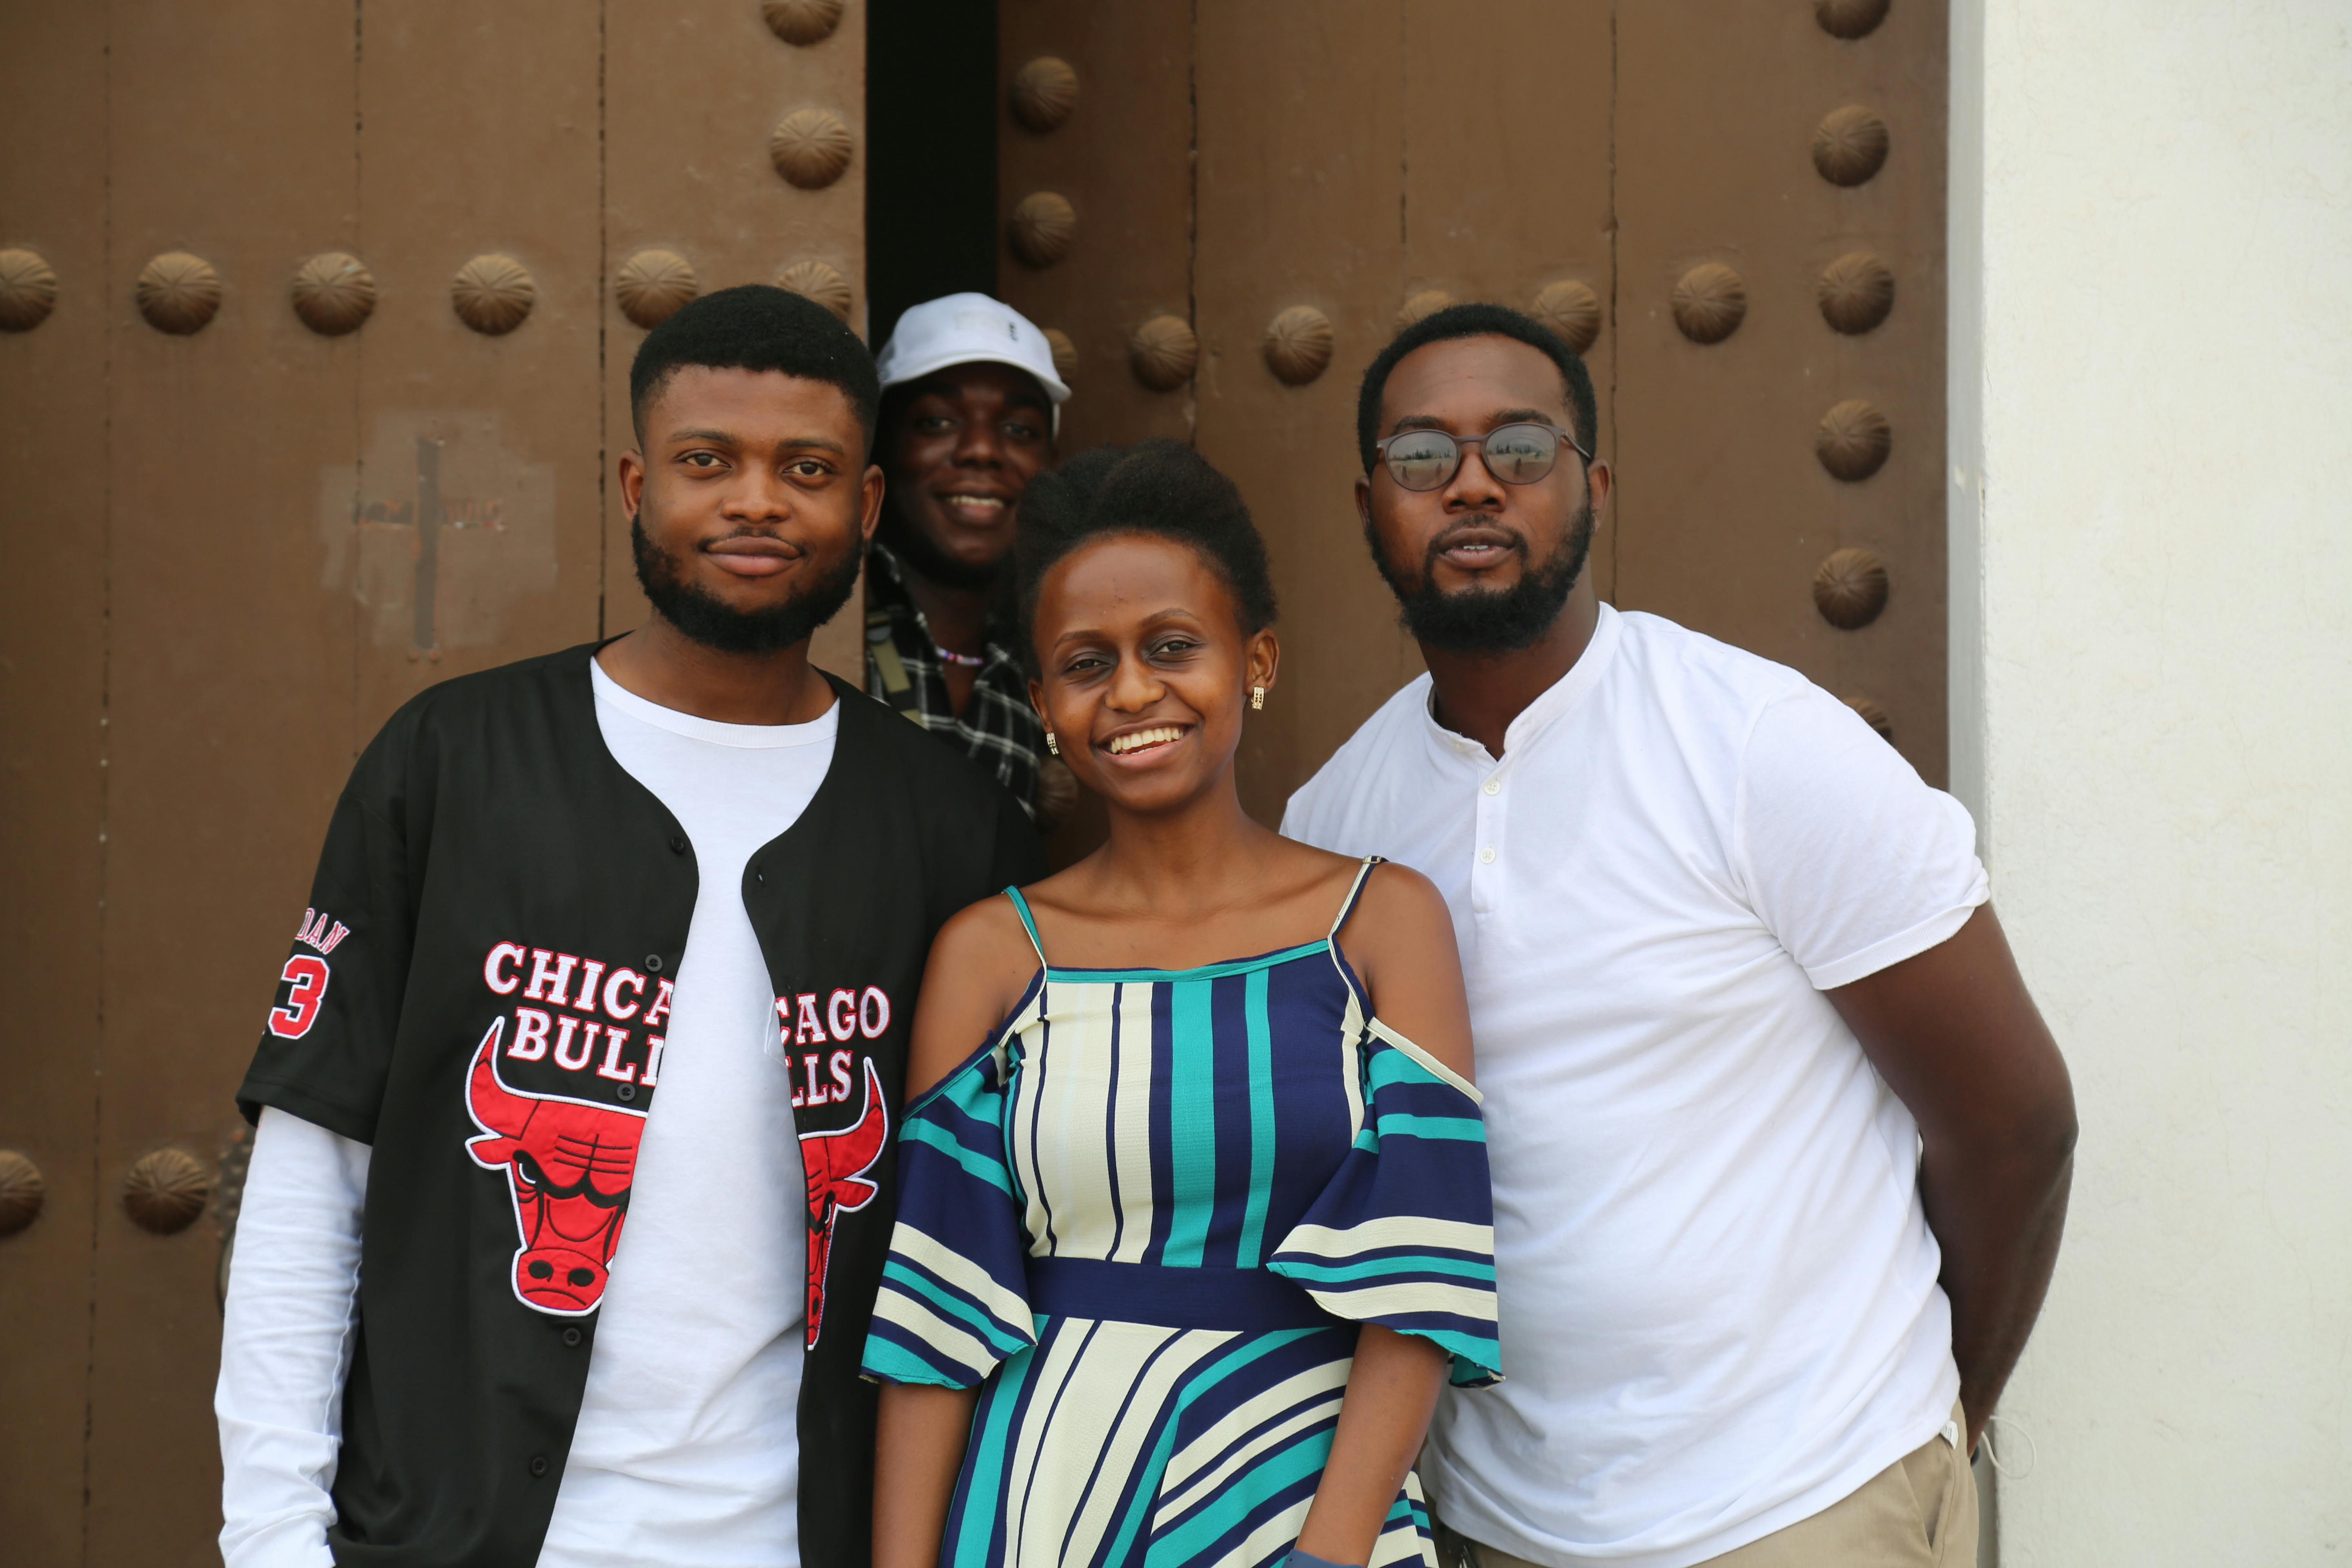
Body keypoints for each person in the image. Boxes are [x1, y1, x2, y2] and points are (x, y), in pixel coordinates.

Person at [215, 285, 1045, 1568]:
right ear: (633, 486)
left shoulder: (945, 819)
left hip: (794, 1539)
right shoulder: (454, 762)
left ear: (865, 507)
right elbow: (314, 1171)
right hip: (460, 1534)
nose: (757, 503)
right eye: (707, 462)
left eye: (808, 469)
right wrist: (274, 1541)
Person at [1283, 304, 2078, 1568]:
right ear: (1369, 502)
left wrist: (1935, 1418)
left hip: (1805, 1499)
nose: (1474, 482)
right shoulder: (1336, 822)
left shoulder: (1757, 746)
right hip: (1499, 1525)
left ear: (1592, 485)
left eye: (1522, 448)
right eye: (1423, 457)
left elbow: (2014, 1121)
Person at [861, 441, 1503, 1568]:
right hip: (1044, 1510)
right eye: (1085, 663)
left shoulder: (1378, 925)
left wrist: (1331, 1553)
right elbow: (935, 1319)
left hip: (1312, 1515)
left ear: (1254, 660)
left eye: (1171, 648)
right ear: (1043, 703)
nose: (1134, 693)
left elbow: (1422, 1277)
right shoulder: (993, 957)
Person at [866, 292, 1075, 824]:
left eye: (1019, 430)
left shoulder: (1052, 662)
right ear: (880, 448)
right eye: (937, 422)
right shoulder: (819, 628)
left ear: (1050, 468)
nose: (981, 449)